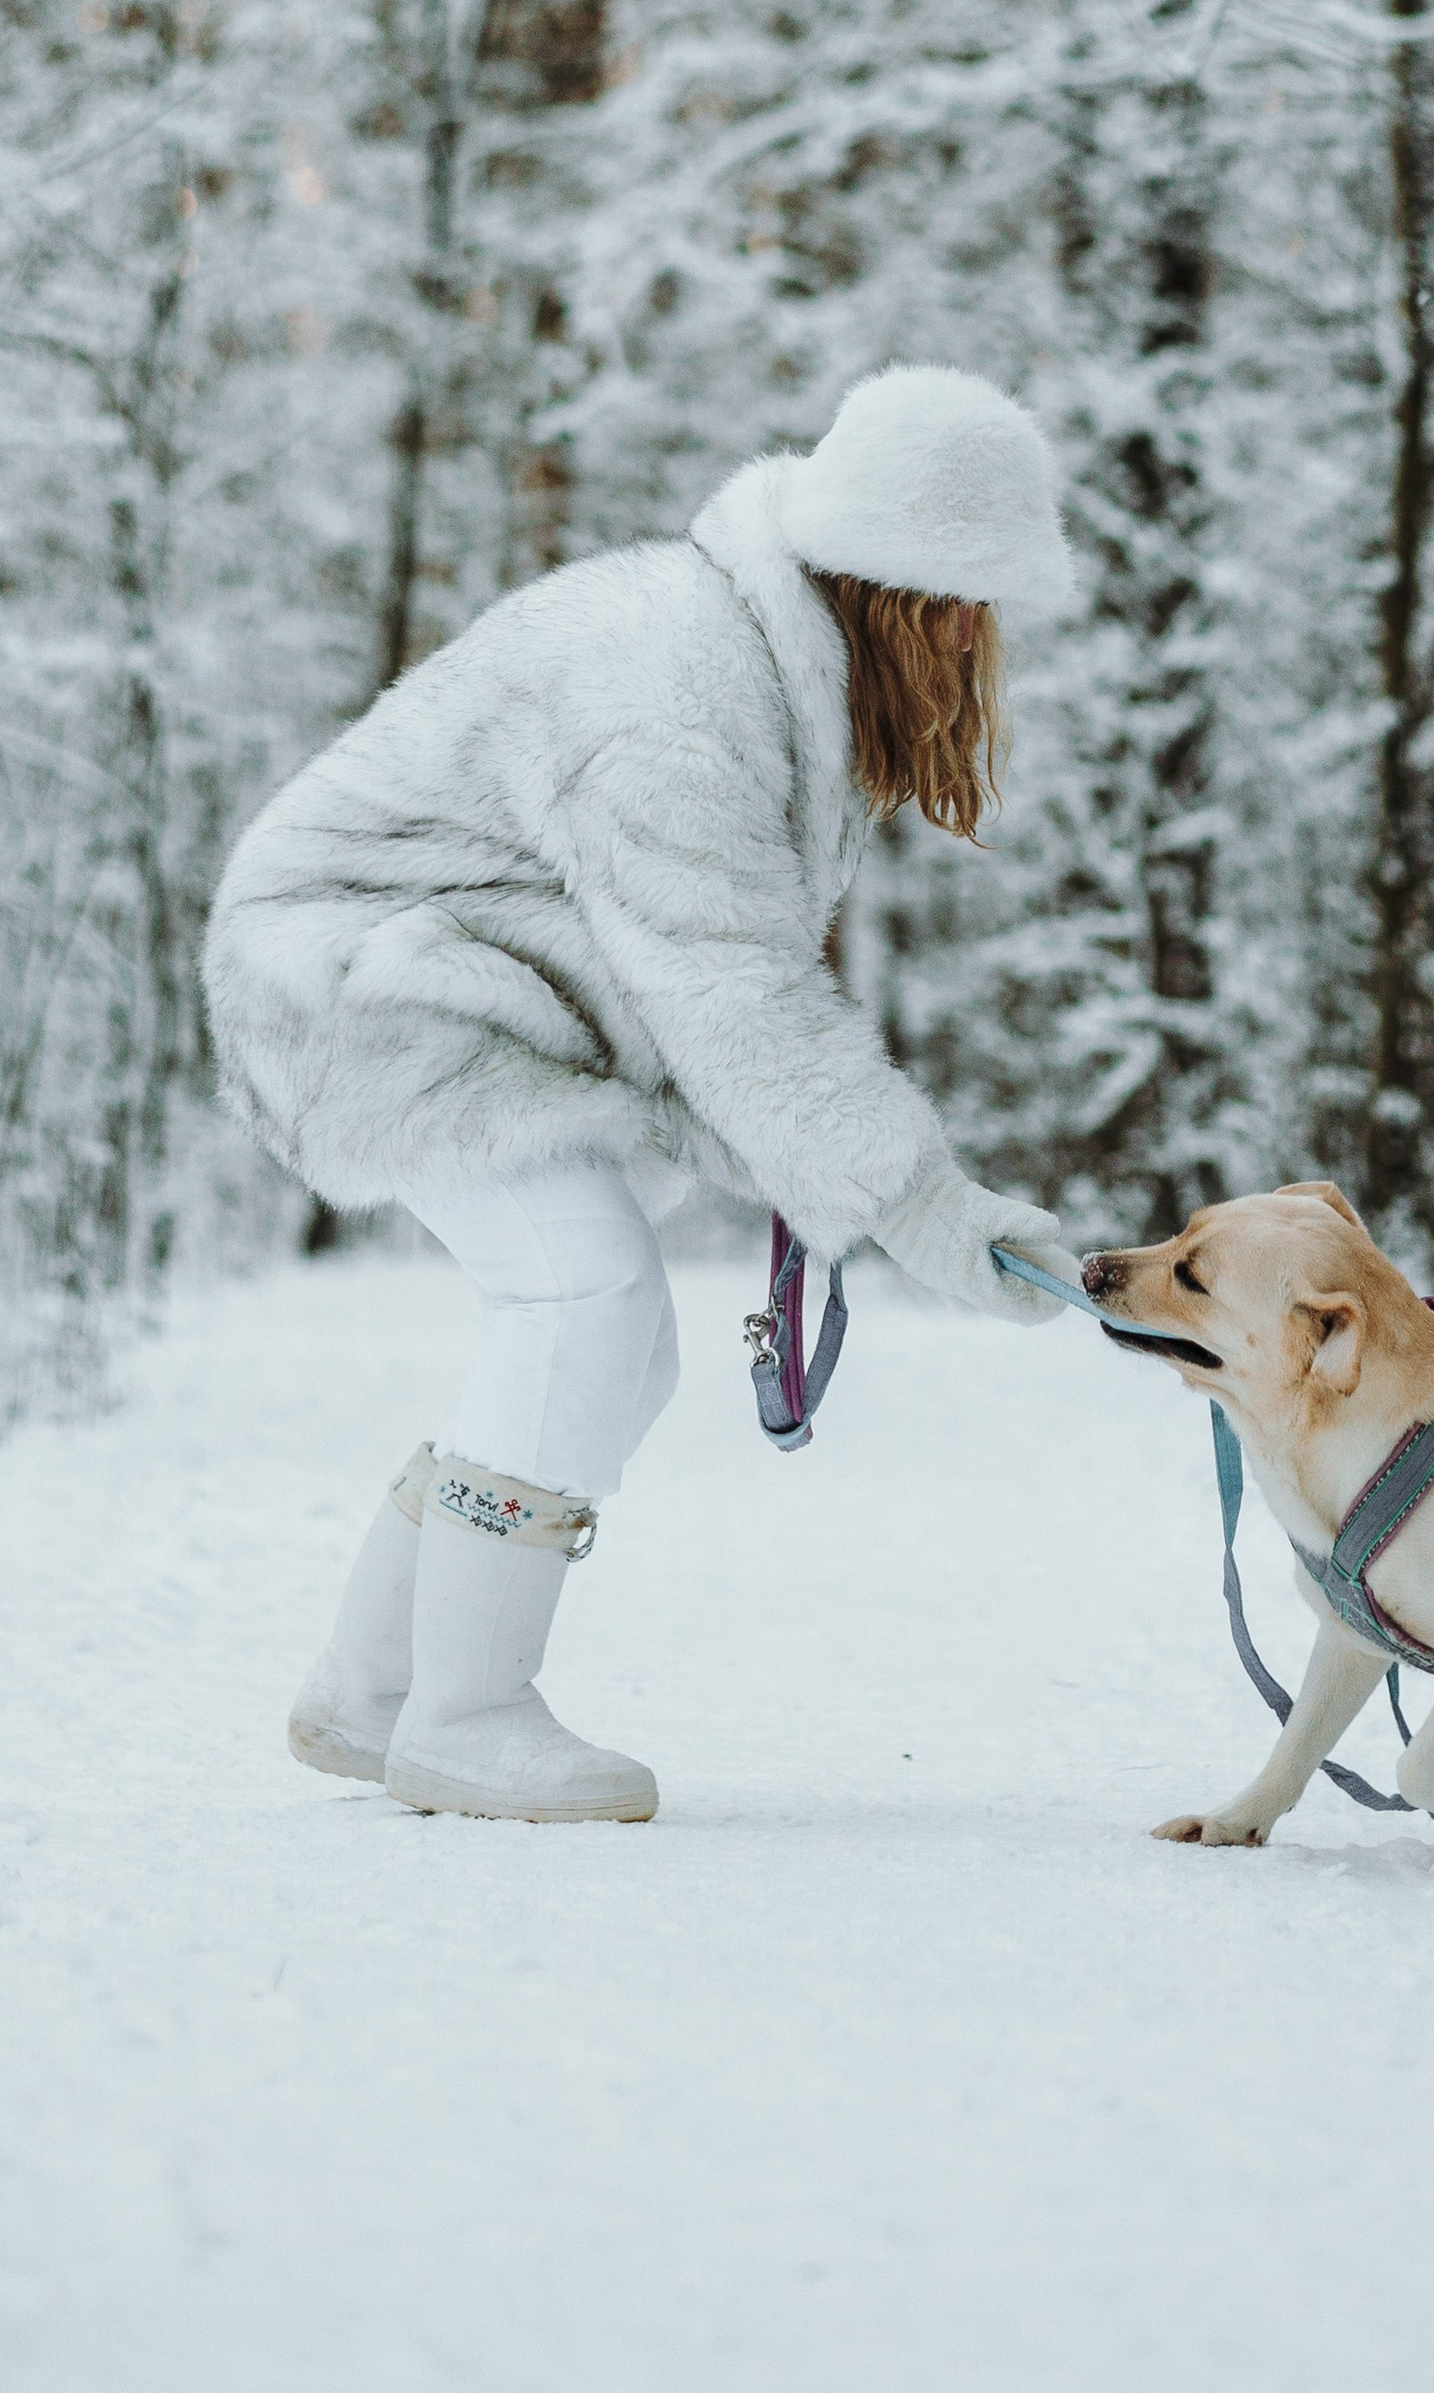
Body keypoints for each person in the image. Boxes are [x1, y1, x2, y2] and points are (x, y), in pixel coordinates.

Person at [204, 364, 1079, 1824]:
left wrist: (936, 1218)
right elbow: (732, 996)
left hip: (458, 985)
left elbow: (715, 1008)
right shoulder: (676, 688)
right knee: (584, 1304)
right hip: (366, 985)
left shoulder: (760, 668)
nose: (985, 657)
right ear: (916, 595)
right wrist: (926, 1209)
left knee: (613, 1344)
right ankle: (466, 1714)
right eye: (977, 614)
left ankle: (370, 1689)